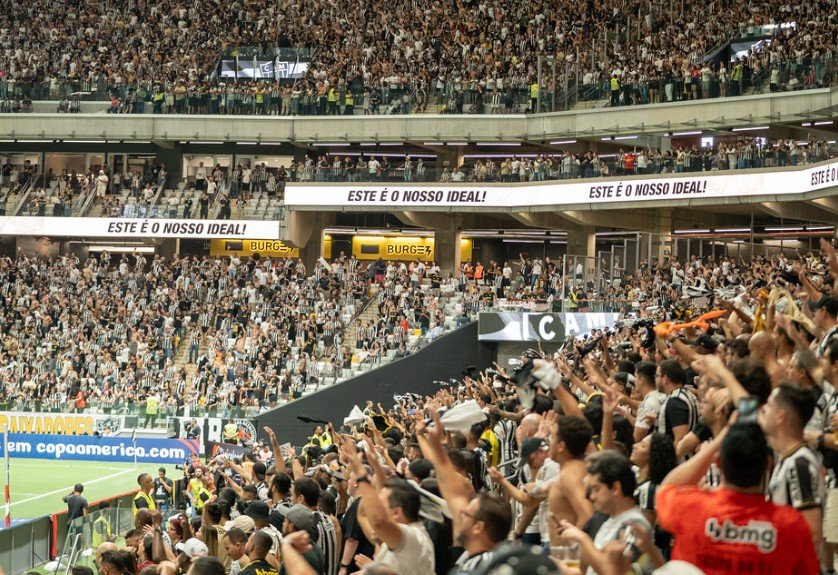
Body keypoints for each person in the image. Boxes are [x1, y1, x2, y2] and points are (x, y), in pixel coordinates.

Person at [656, 423, 820, 574]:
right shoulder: (791, 525)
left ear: (717, 463)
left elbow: (666, 487)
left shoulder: (689, 508)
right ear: (767, 465)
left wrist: (717, 441)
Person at [758, 384, 824, 554]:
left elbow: (812, 532)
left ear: (781, 417)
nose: (763, 409)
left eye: (769, 405)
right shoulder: (789, 457)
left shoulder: (798, 463)